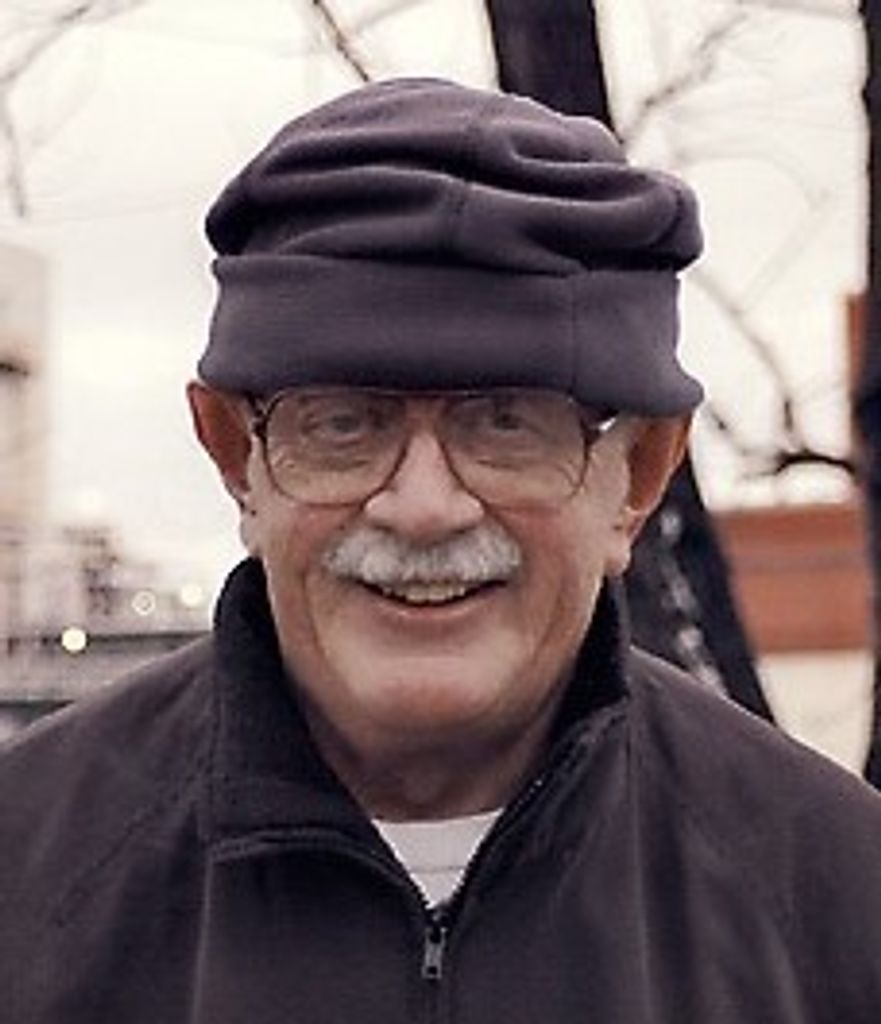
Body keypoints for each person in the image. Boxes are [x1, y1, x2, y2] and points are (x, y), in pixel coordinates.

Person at [2, 77, 881, 1024]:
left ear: (636, 476)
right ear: (234, 457)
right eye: (343, 423)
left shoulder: (839, 904)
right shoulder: (24, 878)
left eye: (506, 423)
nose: (422, 509)